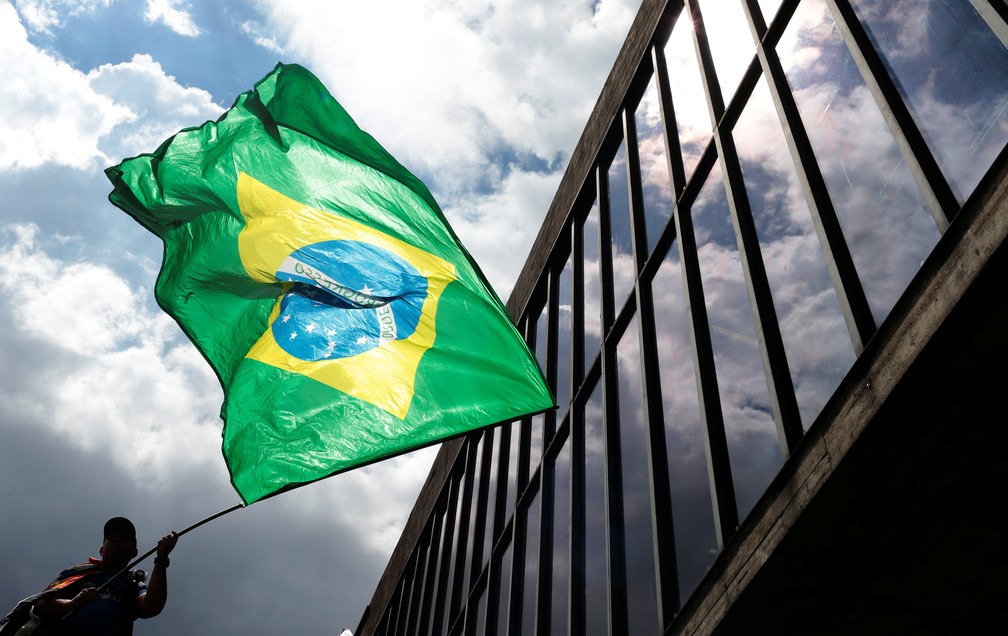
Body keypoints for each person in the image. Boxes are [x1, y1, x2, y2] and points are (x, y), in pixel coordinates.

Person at [28, 517, 178, 635]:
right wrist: (73, 602)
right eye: (111, 536)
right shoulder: (76, 573)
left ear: (134, 553)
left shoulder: (134, 584)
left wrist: (161, 558)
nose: (116, 539)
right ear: (101, 550)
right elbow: (40, 606)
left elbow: (151, 607)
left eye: (125, 538)